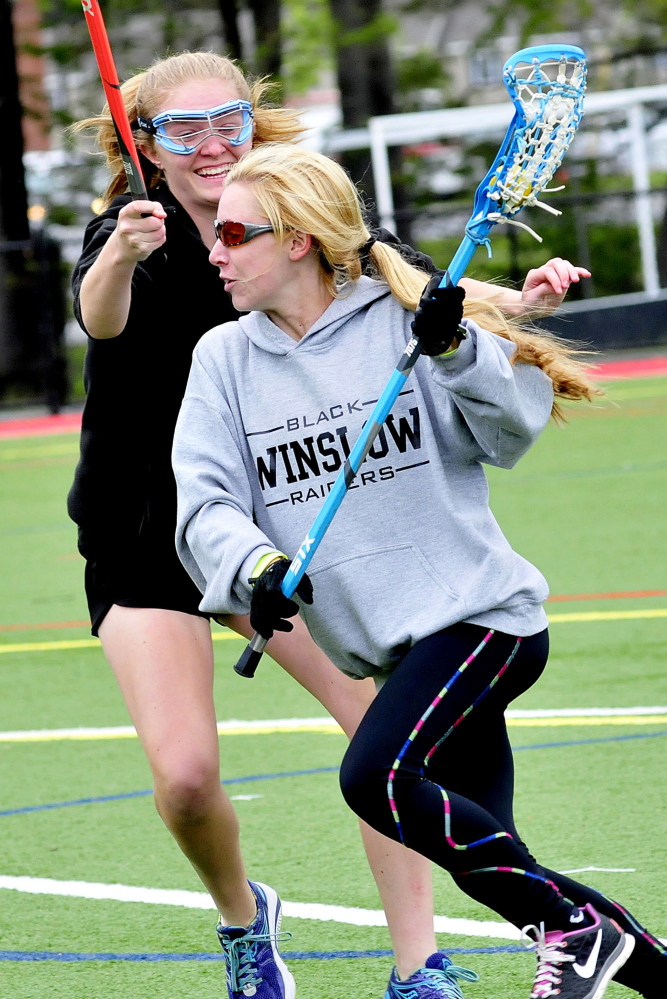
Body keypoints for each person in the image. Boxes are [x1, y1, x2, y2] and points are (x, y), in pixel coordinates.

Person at [69, 49, 591, 999]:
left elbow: (413, 297)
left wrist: (522, 302)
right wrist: (122, 251)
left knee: (376, 739)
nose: (213, 144)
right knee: (185, 778)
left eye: (228, 119)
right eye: (184, 129)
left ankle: (415, 963)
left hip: (277, 539)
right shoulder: (129, 231)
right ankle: (243, 918)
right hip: (145, 536)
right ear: (143, 140)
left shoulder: (291, 213)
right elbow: (101, 322)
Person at [173, 142, 666, 999]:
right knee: (494, 858)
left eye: (233, 232)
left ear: (297, 240)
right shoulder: (222, 358)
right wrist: (255, 565)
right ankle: (618, 949)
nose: (214, 250)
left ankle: (569, 928)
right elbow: (203, 506)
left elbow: (511, 431)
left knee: (374, 776)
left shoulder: (407, 321)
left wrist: (456, 351)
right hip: (397, 649)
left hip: (481, 620)